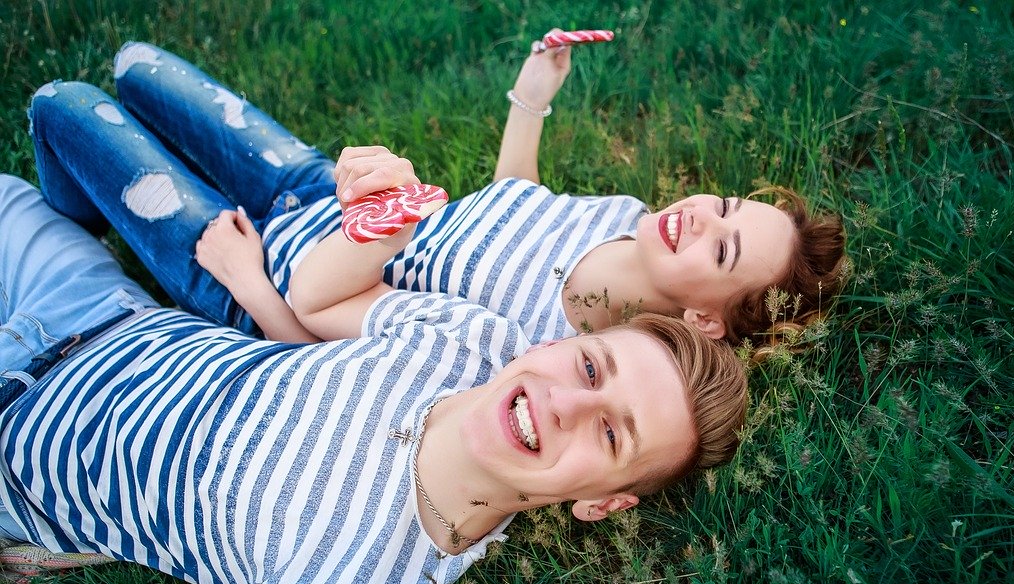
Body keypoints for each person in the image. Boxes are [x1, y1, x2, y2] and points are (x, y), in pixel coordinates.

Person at [0, 172, 747, 584]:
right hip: (98, 307)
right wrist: (375, 223)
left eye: (611, 432)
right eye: (591, 366)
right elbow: (319, 304)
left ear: (600, 502)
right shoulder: (474, 338)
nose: (567, 403)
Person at [31, 40, 847, 347]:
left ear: (705, 319)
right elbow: (514, 201)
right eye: (729, 206)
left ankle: (79, 213)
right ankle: (101, 195)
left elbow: (330, 342)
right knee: (137, 64)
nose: (703, 216)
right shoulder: (624, 223)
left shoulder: (544, 348)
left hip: (253, 263)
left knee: (62, 105)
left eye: (724, 246)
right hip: (320, 190)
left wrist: (245, 282)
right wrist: (531, 98)